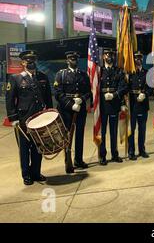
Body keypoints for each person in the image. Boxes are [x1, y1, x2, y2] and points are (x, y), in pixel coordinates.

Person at [6, 51, 53, 185]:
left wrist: (49, 114)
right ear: (23, 63)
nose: (31, 62)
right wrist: (13, 118)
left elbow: (48, 98)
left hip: (40, 118)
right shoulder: (16, 78)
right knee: (25, 148)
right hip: (23, 118)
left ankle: (36, 173)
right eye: (28, 60)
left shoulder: (43, 77)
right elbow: (10, 100)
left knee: (39, 146)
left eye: (33, 60)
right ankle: (26, 174)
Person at [54, 51, 92, 172]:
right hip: (66, 110)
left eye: (75, 59)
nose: (73, 61)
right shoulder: (61, 75)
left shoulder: (83, 74)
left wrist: (82, 99)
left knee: (79, 135)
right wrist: (71, 105)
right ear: (67, 61)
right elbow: (58, 93)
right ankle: (67, 160)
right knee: (67, 136)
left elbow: (88, 91)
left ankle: (78, 160)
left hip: (80, 109)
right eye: (71, 59)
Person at [99, 49, 128, 165]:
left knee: (113, 131)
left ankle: (114, 154)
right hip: (102, 105)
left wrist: (115, 95)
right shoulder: (99, 71)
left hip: (114, 103)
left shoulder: (118, 71)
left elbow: (124, 87)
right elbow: (94, 88)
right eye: (106, 55)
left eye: (111, 55)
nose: (108, 57)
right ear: (103, 57)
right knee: (103, 132)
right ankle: (102, 156)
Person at [127, 52, 152, 160]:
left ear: (142, 59)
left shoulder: (147, 73)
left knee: (142, 130)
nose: (138, 60)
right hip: (132, 105)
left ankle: (142, 150)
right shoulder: (129, 73)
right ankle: (131, 151)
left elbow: (150, 87)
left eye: (140, 58)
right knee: (131, 130)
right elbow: (126, 88)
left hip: (143, 104)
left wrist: (145, 94)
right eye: (136, 58)